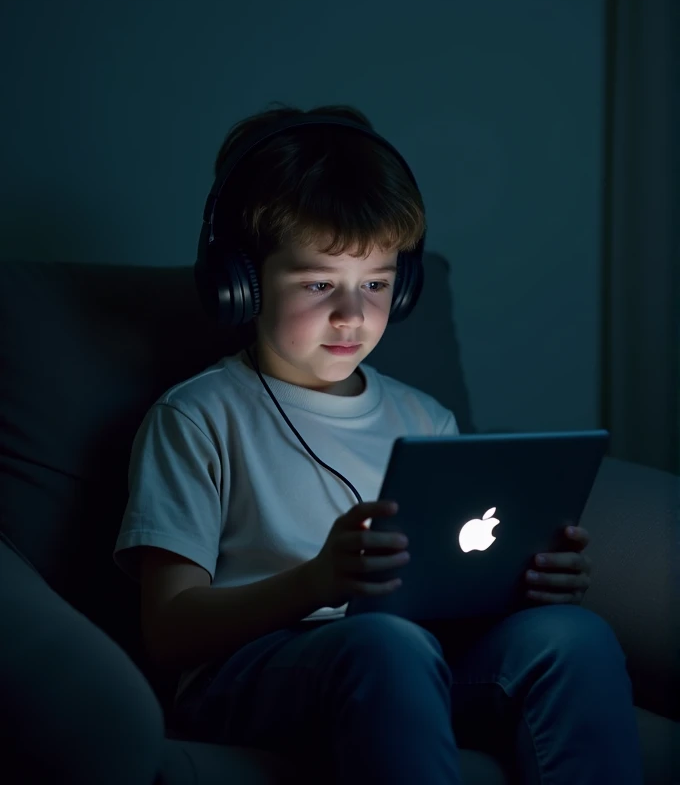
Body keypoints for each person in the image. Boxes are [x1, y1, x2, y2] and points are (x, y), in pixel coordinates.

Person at [113, 102, 643, 784]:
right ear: (241, 284)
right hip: (255, 670)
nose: (352, 315)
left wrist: (527, 583)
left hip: (414, 657)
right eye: (316, 284)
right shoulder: (198, 417)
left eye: (376, 285)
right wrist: (315, 582)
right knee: (385, 643)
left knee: (574, 638)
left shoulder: (425, 419)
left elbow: (453, 588)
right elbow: (168, 630)